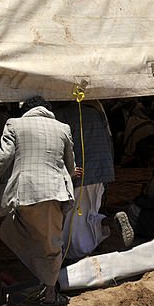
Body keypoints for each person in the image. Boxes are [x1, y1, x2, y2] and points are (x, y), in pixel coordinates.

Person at [0, 95, 78, 306]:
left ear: (26, 109)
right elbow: (71, 165)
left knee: (12, 230)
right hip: (54, 192)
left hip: (24, 194)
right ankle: (50, 294)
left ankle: (45, 283)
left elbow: (2, 159)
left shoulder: (14, 124)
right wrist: (70, 173)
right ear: (47, 109)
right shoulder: (63, 128)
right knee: (52, 245)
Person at [55, 99, 115, 259]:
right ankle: (106, 222)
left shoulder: (61, 115)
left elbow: (60, 147)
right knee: (91, 211)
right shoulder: (96, 112)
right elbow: (109, 141)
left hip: (80, 172)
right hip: (102, 168)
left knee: (73, 218)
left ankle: (76, 253)